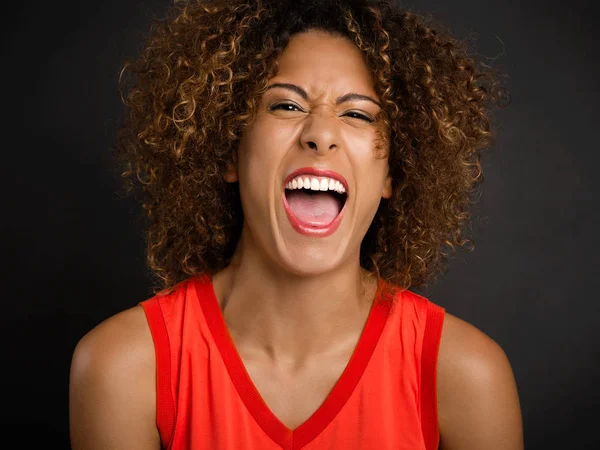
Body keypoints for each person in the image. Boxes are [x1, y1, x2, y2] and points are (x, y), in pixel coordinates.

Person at [69, 0, 523, 448]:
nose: (320, 134)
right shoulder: (126, 366)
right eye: (285, 106)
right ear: (229, 150)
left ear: (391, 174)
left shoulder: (465, 374)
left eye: (357, 114)